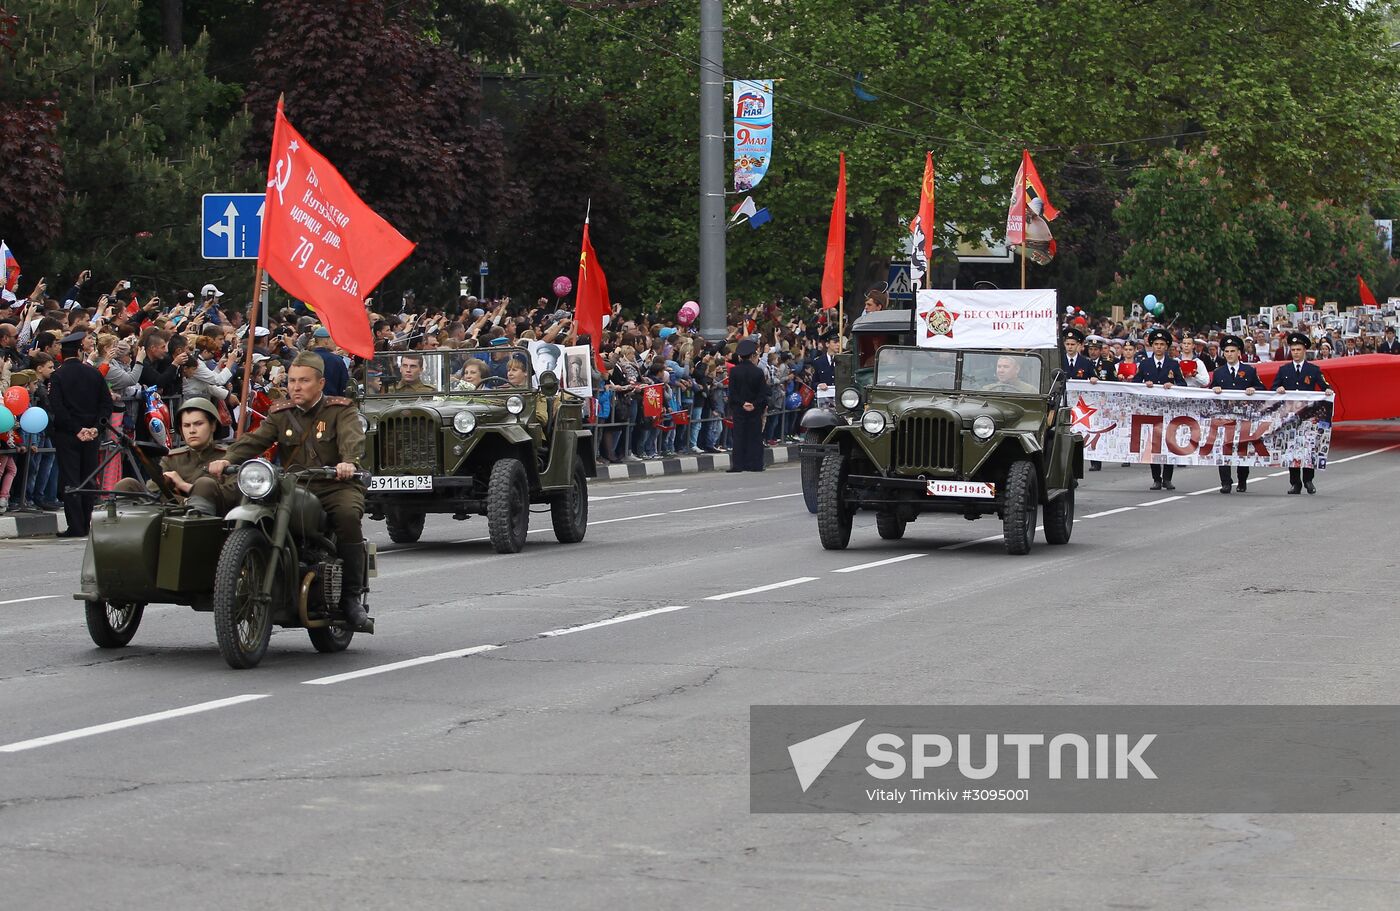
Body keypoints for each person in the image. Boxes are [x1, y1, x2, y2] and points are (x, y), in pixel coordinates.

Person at [209, 351, 371, 631]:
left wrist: (348, 463)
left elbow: (351, 439)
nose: (295, 387)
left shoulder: (341, 410)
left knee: (346, 516)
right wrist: (228, 458)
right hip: (292, 486)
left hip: (334, 484)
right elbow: (255, 440)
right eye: (292, 381)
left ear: (320, 383)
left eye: (304, 381)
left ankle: (350, 597)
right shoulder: (280, 413)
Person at [114, 398, 239, 513]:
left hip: (213, 520)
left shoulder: (229, 457)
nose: (192, 430)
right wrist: (165, 482)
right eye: (186, 425)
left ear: (213, 425)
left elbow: (232, 496)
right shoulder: (173, 457)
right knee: (126, 485)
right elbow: (152, 490)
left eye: (198, 424)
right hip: (170, 514)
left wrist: (183, 485)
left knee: (205, 484)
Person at [47, 331, 111, 537]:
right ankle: (87, 522)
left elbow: (57, 406)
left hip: (69, 434)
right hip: (91, 435)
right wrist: (96, 428)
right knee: (89, 478)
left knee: (71, 480)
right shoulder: (94, 374)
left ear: (61, 356)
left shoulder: (58, 375)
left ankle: (76, 526)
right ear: (81, 351)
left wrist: (77, 429)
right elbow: (106, 405)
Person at [1272, 331, 1331, 495]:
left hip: (1307, 415)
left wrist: (1327, 391)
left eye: (1298, 349)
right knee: (1291, 447)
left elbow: (1325, 386)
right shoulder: (1284, 370)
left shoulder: (1313, 369)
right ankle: (1295, 482)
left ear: (1304, 350)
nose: (1296, 353)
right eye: (1293, 350)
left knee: (1308, 447)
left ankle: (1308, 480)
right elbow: (1273, 389)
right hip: (1289, 416)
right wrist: (1279, 389)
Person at [1209, 334, 1264, 494]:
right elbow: (1210, 392)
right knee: (1223, 447)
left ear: (1239, 352)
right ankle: (1225, 482)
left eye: (1233, 351)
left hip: (1244, 417)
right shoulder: (1218, 373)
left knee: (1242, 449)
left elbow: (1262, 388)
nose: (1230, 354)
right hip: (1224, 417)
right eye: (1227, 351)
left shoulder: (1249, 370)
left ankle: (1242, 480)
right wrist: (1215, 390)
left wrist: (1254, 389)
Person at [1133, 328, 1187, 491]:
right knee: (1153, 444)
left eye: (1162, 344)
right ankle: (1156, 478)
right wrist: (1144, 385)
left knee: (1169, 443)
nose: (1158, 347)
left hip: (1169, 409)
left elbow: (1183, 384)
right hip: (1151, 410)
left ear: (1167, 347)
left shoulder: (1173, 364)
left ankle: (1167, 478)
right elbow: (1134, 383)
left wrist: (1174, 386)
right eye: (1156, 344)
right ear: (1151, 346)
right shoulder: (1145, 364)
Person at [726, 338, 768, 472]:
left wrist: (742, 403)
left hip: (739, 408)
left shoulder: (734, 371)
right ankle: (755, 464)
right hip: (754, 409)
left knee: (738, 436)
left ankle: (738, 465)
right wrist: (754, 404)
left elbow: (732, 393)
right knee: (755, 436)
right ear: (752, 356)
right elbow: (763, 393)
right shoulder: (758, 372)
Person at [310, 326, 350, 396]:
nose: (336, 342)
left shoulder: (305, 358)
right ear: (326, 341)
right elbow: (345, 386)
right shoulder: (337, 360)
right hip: (332, 403)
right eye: (334, 339)